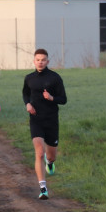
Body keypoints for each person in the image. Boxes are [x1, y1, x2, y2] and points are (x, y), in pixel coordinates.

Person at [22, 48, 66, 200]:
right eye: (38, 59)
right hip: (36, 119)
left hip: (51, 120)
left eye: (43, 59)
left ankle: (50, 162)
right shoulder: (29, 78)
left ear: (47, 61)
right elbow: (25, 93)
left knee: (51, 155)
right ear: (34, 61)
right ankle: (43, 188)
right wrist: (27, 104)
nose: (40, 62)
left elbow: (64, 99)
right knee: (39, 152)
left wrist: (52, 98)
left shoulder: (55, 78)